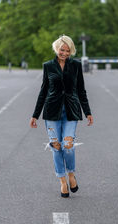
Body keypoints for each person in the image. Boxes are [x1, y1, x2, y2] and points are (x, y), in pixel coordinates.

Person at [29, 35, 93, 198]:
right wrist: (35, 114)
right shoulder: (48, 66)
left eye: (67, 50)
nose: (64, 53)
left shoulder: (76, 66)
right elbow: (43, 91)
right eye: (61, 50)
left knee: (68, 145)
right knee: (56, 145)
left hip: (71, 111)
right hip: (52, 111)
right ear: (56, 49)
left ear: (71, 51)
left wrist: (88, 112)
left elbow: (81, 90)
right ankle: (62, 180)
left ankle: (71, 173)